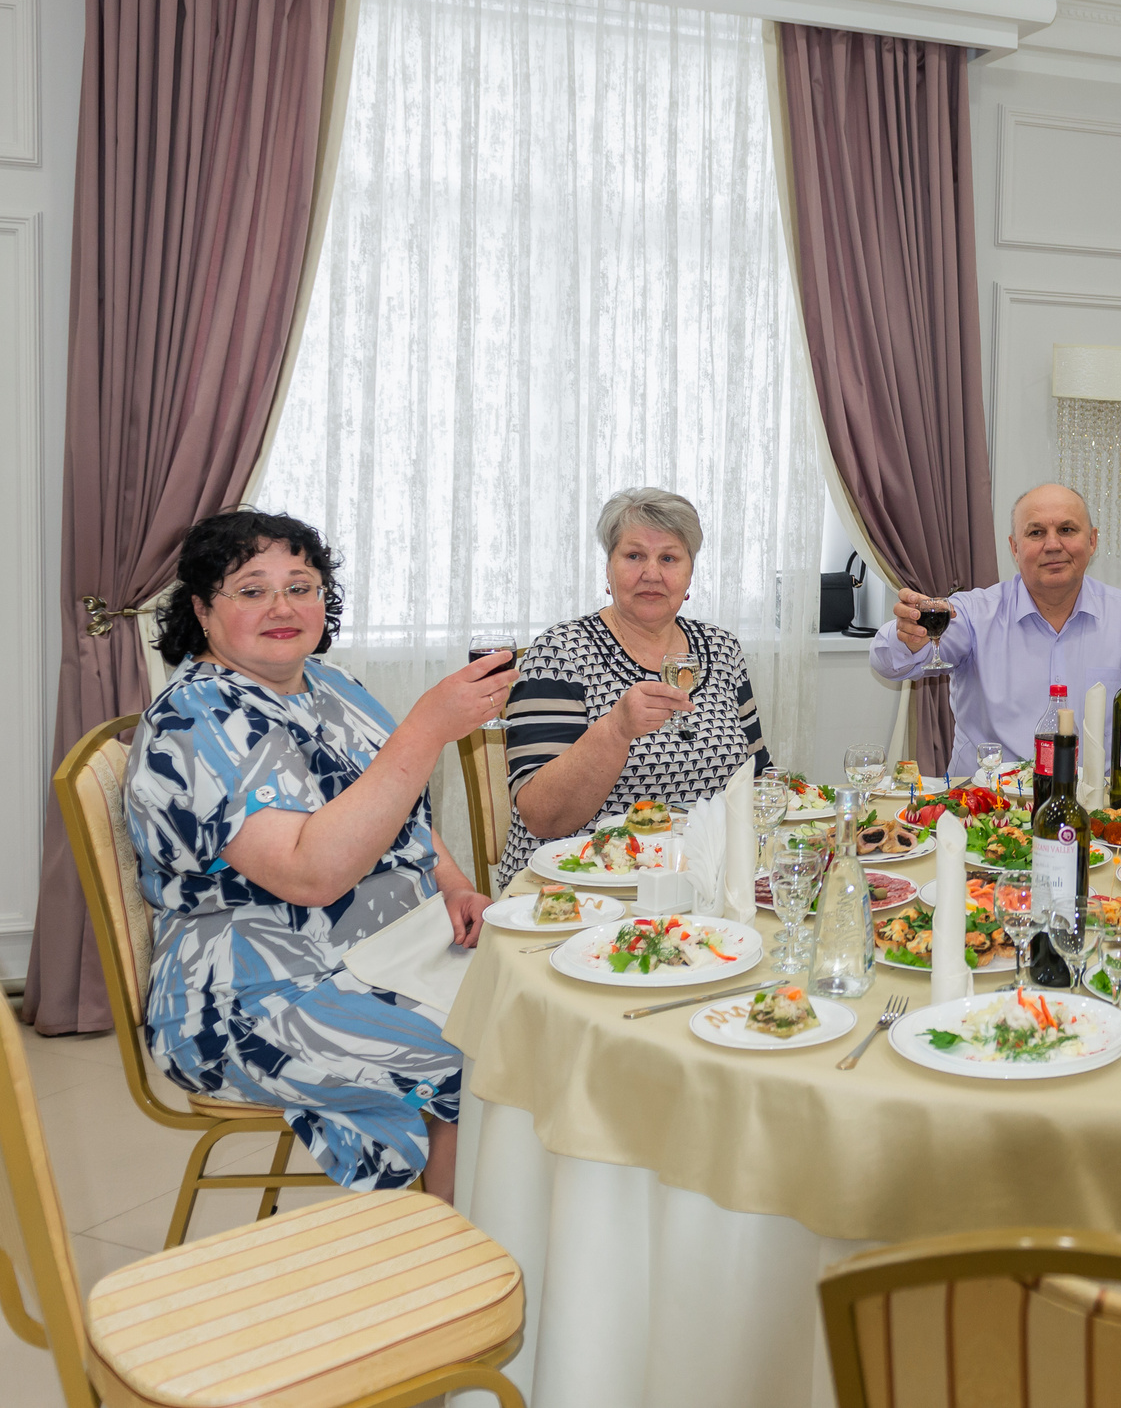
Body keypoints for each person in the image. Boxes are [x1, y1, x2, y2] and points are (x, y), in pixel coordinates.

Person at [127, 509, 505, 1200]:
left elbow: (400, 808)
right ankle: (453, 1267)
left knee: (532, 1007)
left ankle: (487, 1244)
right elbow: (309, 873)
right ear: (203, 610)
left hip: (387, 950)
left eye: (302, 586)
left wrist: (452, 885)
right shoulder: (197, 717)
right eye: (251, 589)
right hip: (252, 996)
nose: (283, 606)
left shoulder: (333, 686)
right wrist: (426, 729)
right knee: (490, 1054)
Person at [501, 488, 774, 883]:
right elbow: (542, 816)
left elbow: (757, 775)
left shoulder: (722, 647)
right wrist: (616, 730)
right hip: (581, 883)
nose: (651, 573)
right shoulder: (560, 651)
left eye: (668, 558)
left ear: (689, 574)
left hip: (703, 877)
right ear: (608, 570)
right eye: (634, 556)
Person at [870, 483, 1121, 777]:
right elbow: (888, 664)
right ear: (1015, 547)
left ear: (1092, 541)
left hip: (1094, 805)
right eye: (1036, 532)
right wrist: (909, 639)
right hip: (982, 805)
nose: (1053, 545)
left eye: (1066, 530)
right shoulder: (975, 614)